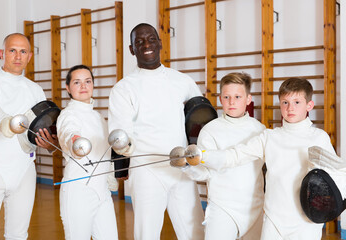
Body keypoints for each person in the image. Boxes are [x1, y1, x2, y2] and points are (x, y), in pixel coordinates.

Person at [201, 77, 336, 239]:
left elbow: (336, 176)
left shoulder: (319, 138)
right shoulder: (269, 136)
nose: (290, 108)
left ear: (309, 105)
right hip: (274, 221)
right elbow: (234, 156)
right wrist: (199, 156)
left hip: (306, 222)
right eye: (285, 102)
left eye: (297, 102)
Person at [108, 23, 205, 240]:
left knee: (195, 233)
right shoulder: (124, 88)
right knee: (147, 234)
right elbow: (121, 133)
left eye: (151, 39)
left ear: (160, 43)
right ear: (132, 49)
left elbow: (200, 121)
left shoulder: (183, 81)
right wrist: (124, 148)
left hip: (181, 168)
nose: (146, 45)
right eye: (139, 42)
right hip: (146, 171)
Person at [0, 33, 58, 239]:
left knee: (18, 235)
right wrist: (5, 122)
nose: (18, 56)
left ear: (29, 57)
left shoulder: (35, 90)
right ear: (2, 54)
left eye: (23, 51)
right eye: (12, 50)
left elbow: (42, 128)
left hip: (24, 170)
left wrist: (50, 144)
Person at [180, 72, 265, 239]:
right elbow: (205, 172)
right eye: (226, 97)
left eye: (237, 96)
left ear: (248, 99)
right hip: (222, 207)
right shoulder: (210, 131)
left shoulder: (259, 130)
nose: (231, 102)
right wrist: (187, 165)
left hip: (254, 208)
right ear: (220, 99)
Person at [56, 65, 118, 239]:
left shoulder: (98, 117)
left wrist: (110, 175)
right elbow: (68, 132)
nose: (83, 86)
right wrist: (74, 140)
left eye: (87, 81)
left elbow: (106, 151)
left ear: (93, 85)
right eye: (77, 82)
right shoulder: (68, 115)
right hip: (79, 192)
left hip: (102, 192)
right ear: (68, 88)